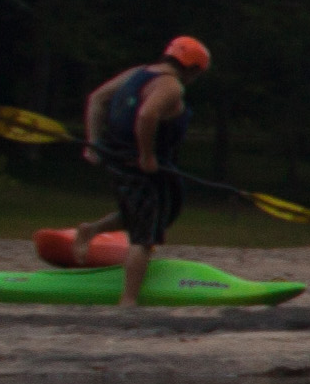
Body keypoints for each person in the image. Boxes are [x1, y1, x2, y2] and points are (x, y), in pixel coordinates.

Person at [61, 35, 211, 308]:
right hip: (139, 166)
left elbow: (97, 99)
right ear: (192, 68)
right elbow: (146, 115)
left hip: (121, 159)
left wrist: (94, 143)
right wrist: (147, 156)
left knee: (164, 210)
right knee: (144, 236)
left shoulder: (137, 73)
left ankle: (91, 230)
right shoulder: (171, 86)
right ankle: (128, 299)